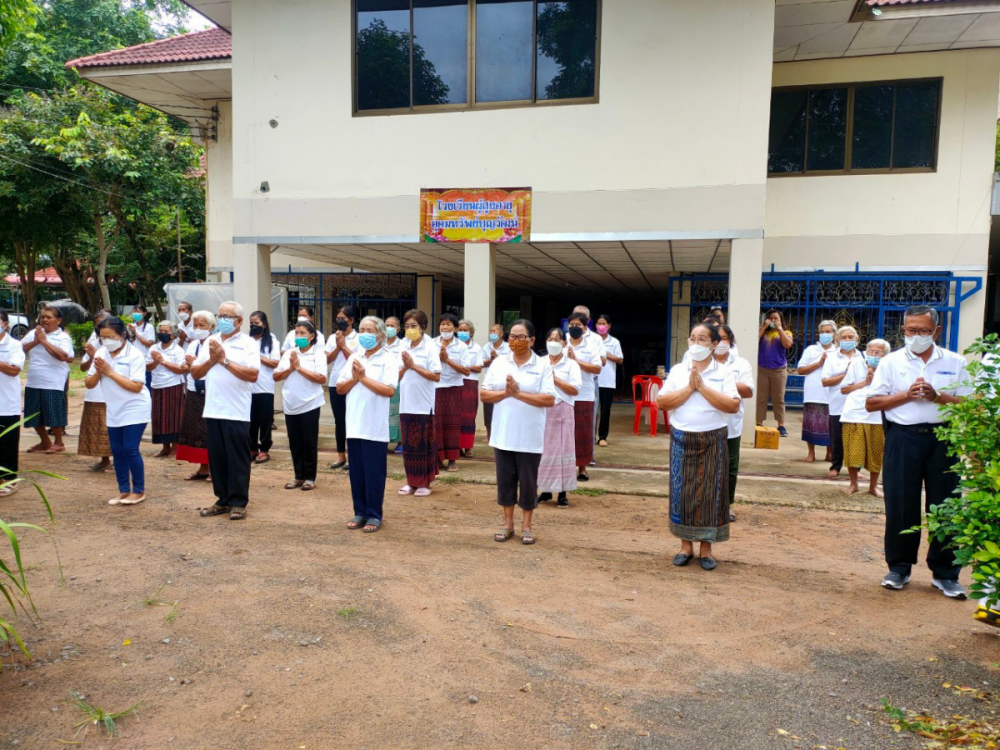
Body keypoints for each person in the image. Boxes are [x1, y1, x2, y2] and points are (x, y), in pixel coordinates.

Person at [867, 305, 972, 597]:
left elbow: (971, 404)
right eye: (911, 330)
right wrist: (906, 395)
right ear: (903, 330)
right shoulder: (890, 362)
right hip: (903, 438)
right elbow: (872, 403)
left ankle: (946, 573)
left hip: (943, 438)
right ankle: (899, 567)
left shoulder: (955, 361)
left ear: (936, 331)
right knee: (901, 502)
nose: (916, 336)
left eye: (923, 331)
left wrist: (939, 396)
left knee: (946, 504)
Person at [658, 323, 740, 571]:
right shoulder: (678, 371)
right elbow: (662, 402)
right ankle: (685, 547)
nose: (696, 343)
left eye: (702, 339)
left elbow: (732, 406)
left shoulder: (724, 372)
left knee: (711, 495)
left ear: (715, 345)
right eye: (692, 338)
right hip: (683, 439)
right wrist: (690, 387)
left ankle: (706, 549)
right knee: (683, 492)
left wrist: (702, 387)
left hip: (713, 440)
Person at [481, 320, 556, 545]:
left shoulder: (543, 365)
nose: (516, 341)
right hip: (503, 436)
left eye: (521, 337)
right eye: (512, 337)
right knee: (505, 482)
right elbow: (485, 395)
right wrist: (507, 393)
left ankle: (527, 526)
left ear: (532, 340)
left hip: (530, 437)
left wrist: (518, 394)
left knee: (528, 482)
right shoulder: (499, 363)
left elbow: (549, 399)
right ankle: (508, 525)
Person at [191, 301, 260, 521]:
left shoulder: (248, 344)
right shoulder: (211, 341)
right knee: (218, 458)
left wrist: (224, 360)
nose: (222, 320)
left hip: (236, 411)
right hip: (213, 409)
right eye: (220, 315)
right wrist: (212, 359)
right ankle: (222, 499)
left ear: (239, 321)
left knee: (237, 458)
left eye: (227, 316)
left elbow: (252, 374)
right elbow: (195, 372)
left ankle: (239, 502)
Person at [337, 315, 399, 533]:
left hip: (374, 427)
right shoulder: (355, 357)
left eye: (369, 330)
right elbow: (340, 388)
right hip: (354, 424)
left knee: (374, 473)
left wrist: (363, 378)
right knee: (357, 473)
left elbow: (389, 390)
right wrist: (355, 378)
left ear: (380, 335)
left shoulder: (389, 359)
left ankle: (374, 514)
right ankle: (359, 512)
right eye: (361, 330)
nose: (364, 334)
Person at [86, 317, 151, 506]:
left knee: (130, 448)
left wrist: (109, 372)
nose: (106, 341)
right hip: (114, 407)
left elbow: (136, 386)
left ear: (122, 335)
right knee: (117, 450)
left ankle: (138, 491)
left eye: (111, 337)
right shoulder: (101, 353)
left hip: (135, 406)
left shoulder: (135, 355)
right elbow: (89, 383)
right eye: (102, 337)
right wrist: (99, 371)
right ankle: (123, 490)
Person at [273, 320, 327, 490]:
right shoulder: (289, 353)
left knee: (308, 441)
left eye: (302, 333)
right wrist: (291, 367)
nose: (298, 336)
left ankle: (310, 477)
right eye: (296, 333)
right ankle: (298, 475)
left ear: (311, 336)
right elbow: (276, 376)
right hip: (291, 403)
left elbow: (321, 378)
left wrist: (299, 368)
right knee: (295, 441)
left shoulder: (318, 353)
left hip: (310, 403)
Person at [397, 310, 442, 496]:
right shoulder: (403, 344)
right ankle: (410, 482)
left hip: (424, 403)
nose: (409, 330)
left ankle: (424, 483)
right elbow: (396, 374)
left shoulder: (430, 346)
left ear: (422, 327)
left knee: (423, 444)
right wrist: (406, 367)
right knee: (408, 444)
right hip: (406, 402)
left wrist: (413, 365)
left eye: (413, 326)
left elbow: (436, 376)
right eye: (407, 326)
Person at [713, 325, 754, 524]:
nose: (720, 342)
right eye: (716, 338)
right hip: (706, 423)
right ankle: (706, 503)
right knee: (706, 465)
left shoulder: (741, 363)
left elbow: (747, 391)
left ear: (730, 341)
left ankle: (726, 505)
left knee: (729, 466)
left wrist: (722, 380)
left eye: (724, 338)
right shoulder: (701, 362)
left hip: (731, 424)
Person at [839, 338, 889, 497]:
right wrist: (865, 382)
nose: (873, 355)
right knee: (852, 452)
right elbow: (844, 389)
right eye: (871, 351)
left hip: (876, 416)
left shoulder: (888, 367)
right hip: (854, 414)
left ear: (885, 355)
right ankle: (853, 484)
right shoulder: (856, 365)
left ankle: (873, 486)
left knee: (876, 453)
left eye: (878, 352)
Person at [537, 327, 581, 507]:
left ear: (564, 343)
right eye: (550, 339)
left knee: (563, 450)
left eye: (557, 339)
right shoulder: (539, 362)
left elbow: (575, 389)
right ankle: (545, 490)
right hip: (543, 410)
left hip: (563, 410)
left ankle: (562, 493)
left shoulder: (571, 364)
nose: (553, 342)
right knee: (543, 450)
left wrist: (556, 379)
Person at [21, 304, 74, 454]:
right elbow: (20, 349)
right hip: (34, 378)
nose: (44, 319)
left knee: (53, 411)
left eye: (49, 317)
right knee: (33, 413)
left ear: (58, 320)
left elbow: (64, 356)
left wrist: (44, 341)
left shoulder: (63, 337)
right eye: (42, 317)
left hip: (53, 381)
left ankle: (59, 442)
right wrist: (36, 341)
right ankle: (44, 441)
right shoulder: (34, 333)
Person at [176, 311, 214, 482]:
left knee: (208, 429)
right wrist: (189, 365)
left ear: (211, 327)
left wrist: (196, 364)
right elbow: (185, 367)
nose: (198, 329)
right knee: (194, 428)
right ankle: (203, 468)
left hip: (210, 389)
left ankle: (214, 468)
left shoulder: (216, 343)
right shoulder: (192, 345)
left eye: (202, 326)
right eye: (195, 325)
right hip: (192, 389)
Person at [566, 312, 603, 481]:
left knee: (583, 433)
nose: (574, 328)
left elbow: (597, 368)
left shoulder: (591, 345)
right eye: (571, 324)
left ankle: (582, 468)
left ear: (585, 328)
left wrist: (575, 360)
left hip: (584, 395)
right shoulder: (562, 341)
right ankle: (565, 468)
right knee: (565, 433)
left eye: (578, 325)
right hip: (564, 394)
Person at [820, 325, 860, 479]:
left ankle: (856, 469)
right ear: (837, 339)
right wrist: (846, 373)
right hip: (837, 404)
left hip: (857, 406)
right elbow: (825, 381)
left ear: (856, 339)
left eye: (851, 337)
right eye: (844, 337)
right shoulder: (832, 358)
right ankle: (835, 466)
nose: (847, 340)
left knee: (856, 439)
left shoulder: (862, 357)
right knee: (837, 438)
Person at [434, 313, 471, 472]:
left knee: (453, 424)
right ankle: (437, 458)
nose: (445, 327)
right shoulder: (431, 343)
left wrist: (447, 360)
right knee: (437, 423)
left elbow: (466, 371)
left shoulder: (461, 346)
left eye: (449, 324)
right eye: (443, 324)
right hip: (435, 387)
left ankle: (452, 460)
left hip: (454, 388)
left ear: (455, 328)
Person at [78, 309, 114, 472]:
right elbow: (83, 367)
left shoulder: (118, 342)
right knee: (98, 427)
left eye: (102, 323)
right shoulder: (93, 341)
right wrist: (92, 356)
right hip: (94, 390)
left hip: (112, 391)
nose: (99, 327)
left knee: (111, 427)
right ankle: (104, 459)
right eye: (96, 324)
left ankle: (117, 460)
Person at [796, 320, 837, 463]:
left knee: (830, 426)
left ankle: (829, 453)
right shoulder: (811, 350)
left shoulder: (838, 352)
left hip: (831, 394)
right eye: (823, 332)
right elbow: (800, 370)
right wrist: (818, 363)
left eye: (828, 332)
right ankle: (811, 453)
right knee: (811, 424)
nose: (825, 334)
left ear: (834, 334)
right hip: (813, 393)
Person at [325, 305, 358, 470]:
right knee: (339, 420)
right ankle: (340, 455)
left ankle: (354, 456)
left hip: (352, 383)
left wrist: (344, 345)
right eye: (338, 318)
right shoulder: (333, 338)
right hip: (335, 383)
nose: (340, 321)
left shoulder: (358, 338)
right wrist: (337, 345)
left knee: (352, 420)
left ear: (351, 321)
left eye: (343, 319)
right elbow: (326, 360)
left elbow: (355, 360)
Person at [147, 321, 187, 458]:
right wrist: (156, 361)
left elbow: (180, 370)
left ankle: (175, 448)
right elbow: (147, 367)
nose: (163, 334)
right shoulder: (154, 348)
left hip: (173, 385)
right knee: (159, 417)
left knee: (174, 416)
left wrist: (163, 361)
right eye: (161, 332)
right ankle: (165, 447)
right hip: (156, 385)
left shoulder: (178, 350)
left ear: (174, 335)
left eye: (166, 332)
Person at [572, 304, 605, 457]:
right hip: (566, 385)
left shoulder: (595, 339)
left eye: (581, 318)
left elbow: (601, 362)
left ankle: (588, 455)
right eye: (574, 316)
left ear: (587, 321)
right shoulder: (564, 339)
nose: (575, 323)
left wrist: (577, 360)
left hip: (588, 383)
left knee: (587, 422)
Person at [248, 311, 279, 464]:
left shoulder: (271, 341)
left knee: (265, 420)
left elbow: (275, 363)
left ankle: (264, 449)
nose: (253, 326)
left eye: (257, 323)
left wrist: (256, 355)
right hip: (248, 387)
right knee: (250, 420)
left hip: (265, 387)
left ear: (264, 325)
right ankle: (252, 447)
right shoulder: (246, 341)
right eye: (251, 323)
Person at [755, 310, 793, 436]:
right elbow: (753, 341)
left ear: (781, 320)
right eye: (770, 318)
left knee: (779, 399)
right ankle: (759, 422)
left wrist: (779, 328)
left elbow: (787, 344)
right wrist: (764, 326)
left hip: (779, 370)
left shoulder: (786, 333)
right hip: (762, 369)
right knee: (761, 398)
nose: (773, 320)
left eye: (776, 318)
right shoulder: (763, 333)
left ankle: (781, 425)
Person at [0, 311, 25, 496]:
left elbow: (14, 370)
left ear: (6, 324)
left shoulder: (14, 345)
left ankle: (10, 480)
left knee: (7, 443)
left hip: (6, 403)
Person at [457, 319, 484, 458]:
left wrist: (461, 366)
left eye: (465, 330)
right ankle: (456, 446)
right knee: (456, 416)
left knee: (469, 416)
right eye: (460, 330)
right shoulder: (453, 347)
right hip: (455, 383)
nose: (462, 332)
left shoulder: (477, 348)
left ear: (471, 332)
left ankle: (467, 447)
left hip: (470, 383)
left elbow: (479, 368)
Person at [595, 314, 623, 447]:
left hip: (608, 381)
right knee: (591, 411)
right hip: (592, 381)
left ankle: (602, 437)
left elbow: (620, 359)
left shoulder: (614, 342)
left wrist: (607, 355)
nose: (601, 326)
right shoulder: (591, 340)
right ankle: (590, 436)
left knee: (605, 411)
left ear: (609, 326)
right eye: (599, 323)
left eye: (603, 324)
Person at [481, 323, 509, 443]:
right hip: (489, 381)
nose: (492, 333)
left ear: (501, 334)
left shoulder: (508, 347)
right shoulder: (486, 347)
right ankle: (489, 434)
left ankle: (503, 434)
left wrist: (497, 358)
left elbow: (509, 363)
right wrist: (490, 360)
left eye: (494, 331)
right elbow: (481, 363)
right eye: (491, 331)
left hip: (503, 381)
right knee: (488, 410)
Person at [384, 316, 403, 453]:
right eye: (386, 325)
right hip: (381, 383)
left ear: (398, 329)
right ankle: (383, 441)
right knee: (383, 412)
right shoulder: (379, 344)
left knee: (397, 413)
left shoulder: (402, 345)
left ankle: (400, 442)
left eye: (392, 325)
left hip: (398, 382)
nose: (389, 328)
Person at [128, 305, 156, 389]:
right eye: (134, 312)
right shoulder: (131, 326)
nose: (136, 314)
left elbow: (149, 344)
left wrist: (135, 333)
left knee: (145, 382)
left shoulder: (149, 327)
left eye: (138, 312)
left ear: (144, 314)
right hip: (132, 358)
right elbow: (129, 342)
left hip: (145, 358)